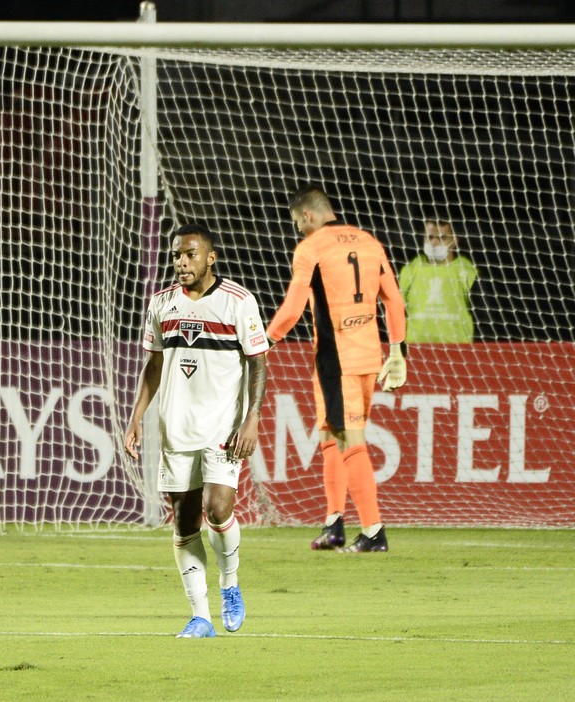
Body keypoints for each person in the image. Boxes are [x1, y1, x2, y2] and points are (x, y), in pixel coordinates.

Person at [123, 224, 269, 639]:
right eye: (176, 256)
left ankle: (230, 585)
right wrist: (137, 417)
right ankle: (200, 617)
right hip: (176, 428)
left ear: (211, 257)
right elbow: (153, 364)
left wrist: (252, 417)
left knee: (219, 508)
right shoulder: (161, 304)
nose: (181, 263)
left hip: (223, 427)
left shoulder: (238, 302)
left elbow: (258, 361)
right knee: (184, 522)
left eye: (190, 254)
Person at [266, 184, 407, 553]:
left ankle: (373, 531)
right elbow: (393, 300)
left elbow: (294, 307)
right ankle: (334, 524)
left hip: (336, 359)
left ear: (309, 216)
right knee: (330, 435)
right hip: (368, 355)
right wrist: (397, 351)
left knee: (348, 439)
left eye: (298, 221)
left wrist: (265, 339)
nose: (297, 228)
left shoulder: (311, 248)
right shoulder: (369, 241)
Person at [399, 218, 479, 343]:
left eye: (442, 238)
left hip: (458, 351)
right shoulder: (409, 270)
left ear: (454, 240)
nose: (434, 243)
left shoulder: (467, 271)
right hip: (415, 350)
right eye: (430, 237)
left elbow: (482, 316)